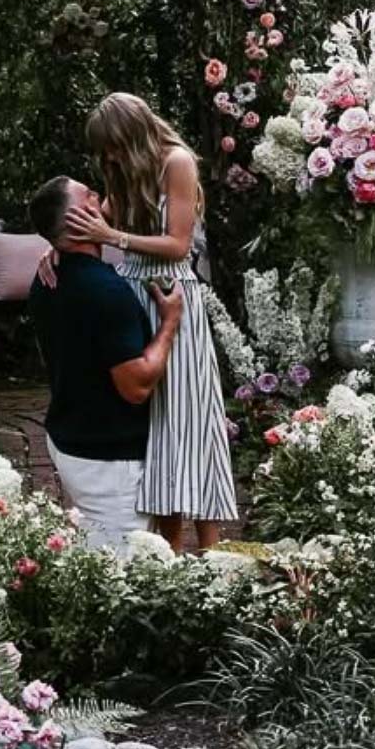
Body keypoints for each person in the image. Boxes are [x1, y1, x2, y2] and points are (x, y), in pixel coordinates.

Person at [38, 92, 237, 552]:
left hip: (170, 297)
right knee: (155, 431)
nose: (107, 157)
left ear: (130, 134)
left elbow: (179, 245)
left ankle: (211, 551)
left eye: (111, 146)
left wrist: (114, 237)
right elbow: (90, 223)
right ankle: (166, 549)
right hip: (131, 295)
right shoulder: (123, 168)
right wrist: (56, 247)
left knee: (191, 422)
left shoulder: (177, 162)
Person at [28, 174, 183, 553]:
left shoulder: (46, 278)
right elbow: (136, 386)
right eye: (90, 195)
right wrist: (169, 325)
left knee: (93, 550)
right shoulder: (105, 290)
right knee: (120, 574)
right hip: (106, 457)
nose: (101, 197)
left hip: (71, 438)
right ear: (81, 218)